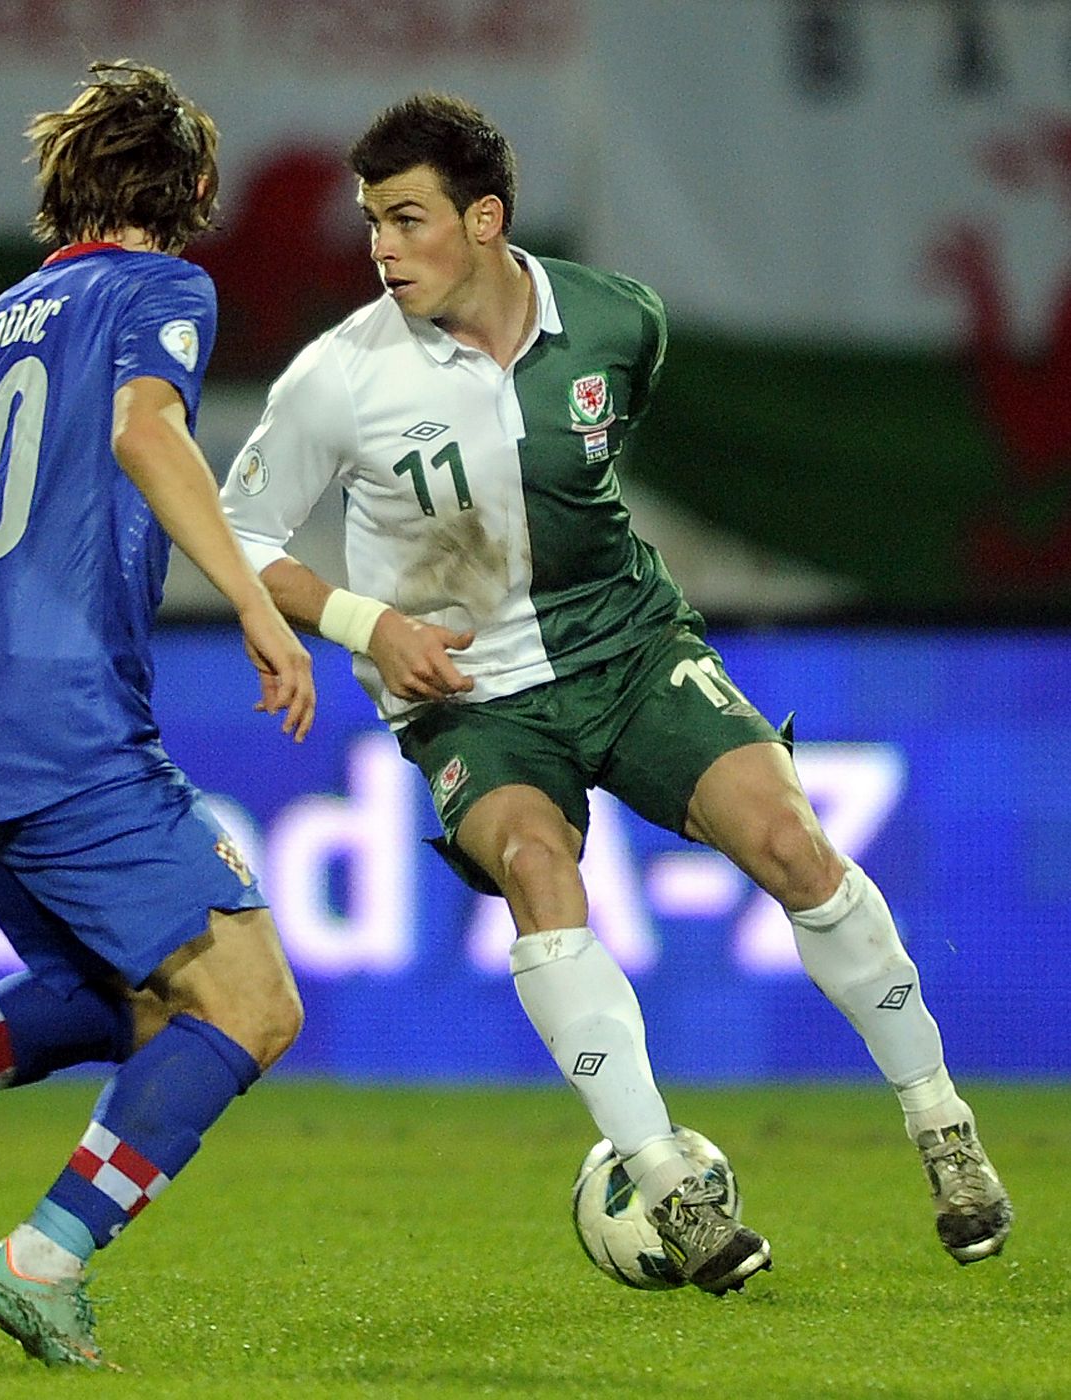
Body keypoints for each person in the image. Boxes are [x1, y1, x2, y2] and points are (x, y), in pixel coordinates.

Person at [220, 92, 1013, 1295]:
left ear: (485, 219)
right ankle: (667, 1176)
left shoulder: (614, 320)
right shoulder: (340, 377)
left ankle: (941, 1124)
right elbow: (236, 529)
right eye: (373, 222)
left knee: (794, 842)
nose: (381, 247)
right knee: (539, 870)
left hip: (629, 646)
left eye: (407, 219)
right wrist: (363, 619)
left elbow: (596, 468)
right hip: (468, 695)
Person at [0, 61, 314, 1370]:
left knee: (124, 1000)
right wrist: (255, 603)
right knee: (249, 1006)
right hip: (68, 711)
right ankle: (41, 1260)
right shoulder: (160, 287)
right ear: (194, 189)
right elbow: (148, 431)